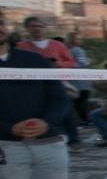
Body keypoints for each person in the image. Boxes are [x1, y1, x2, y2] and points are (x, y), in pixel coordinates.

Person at [0, 9, 89, 179]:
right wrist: (7, 129)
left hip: (48, 140)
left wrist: (46, 121)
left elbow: (59, 97)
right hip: (9, 145)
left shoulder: (32, 60)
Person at [16, 16, 80, 150]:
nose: (36, 29)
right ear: (27, 28)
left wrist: (57, 63)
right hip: (31, 86)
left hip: (57, 82)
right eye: (32, 26)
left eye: (39, 26)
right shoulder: (21, 46)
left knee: (66, 110)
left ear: (44, 28)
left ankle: (74, 140)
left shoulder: (57, 45)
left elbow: (71, 62)